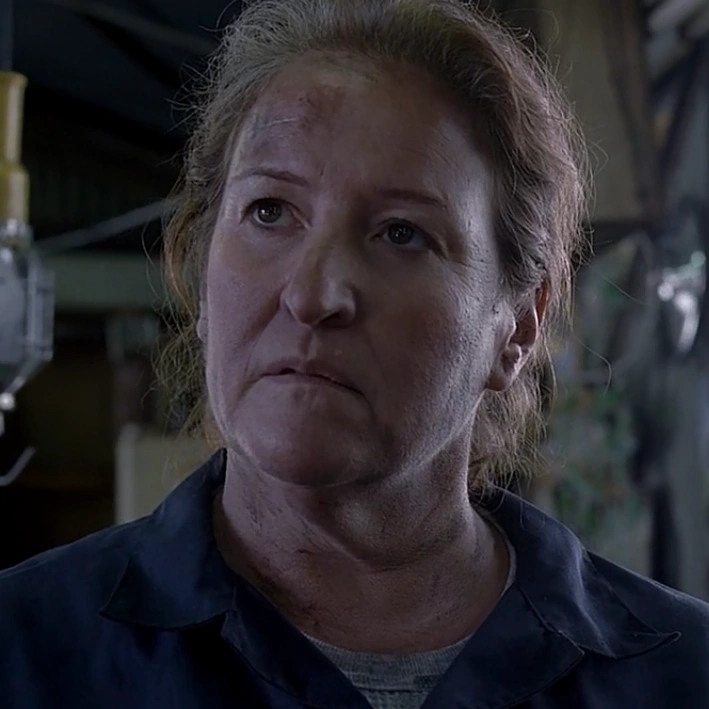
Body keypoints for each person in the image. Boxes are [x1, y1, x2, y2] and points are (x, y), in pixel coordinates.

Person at [2, 0, 708, 707]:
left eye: (402, 233)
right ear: (200, 270)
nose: (312, 294)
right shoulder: (26, 650)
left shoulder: (681, 677)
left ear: (520, 325)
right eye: (269, 211)